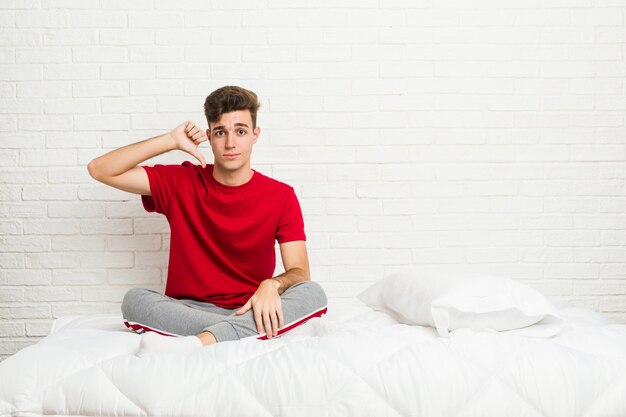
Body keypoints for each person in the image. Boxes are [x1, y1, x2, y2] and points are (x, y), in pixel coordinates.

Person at [87, 85, 328, 356]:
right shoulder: (181, 182)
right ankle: (238, 332)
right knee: (135, 300)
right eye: (221, 132)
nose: (230, 143)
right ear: (209, 136)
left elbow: (299, 273)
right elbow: (100, 170)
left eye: (240, 131)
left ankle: (199, 342)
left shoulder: (281, 195)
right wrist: (170, 140)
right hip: (188, 310)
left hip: (252, 306)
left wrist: (271, 284)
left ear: (255, 135)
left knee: (312, 293)